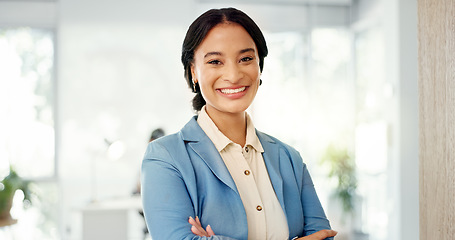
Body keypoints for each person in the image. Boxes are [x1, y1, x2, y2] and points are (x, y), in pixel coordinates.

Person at [141, 7, 337, 240]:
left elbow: (323, 235)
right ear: (194, 71)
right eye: (215, 61)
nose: (233, 75)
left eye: (245, 59)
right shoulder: (165, 157)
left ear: (259, 65)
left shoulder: (289, 158)